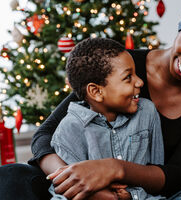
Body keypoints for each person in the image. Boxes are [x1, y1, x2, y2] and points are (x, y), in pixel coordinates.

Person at [0, 0, 181, 199]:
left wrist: (113, 168)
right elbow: (44, 135)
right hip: (77, 183)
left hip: (151, 189)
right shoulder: (121, 65)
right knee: (11, 176)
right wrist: (74, 179)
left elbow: (177, 174)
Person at [49, 37, 165, 200]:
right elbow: (64, 192)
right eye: (128, 77)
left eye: (136, 74)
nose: (139, 82)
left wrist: (131, 195)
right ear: (96, 92)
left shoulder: (146, 111)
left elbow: (157, 176)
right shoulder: (69, 129)